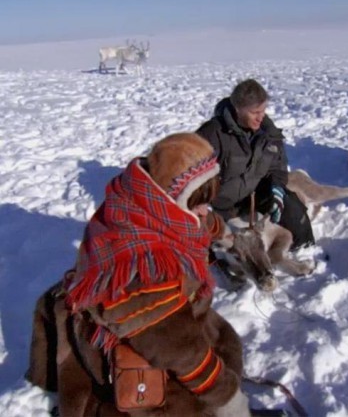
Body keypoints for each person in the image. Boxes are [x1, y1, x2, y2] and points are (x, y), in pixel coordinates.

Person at [26, 133, 250, 416]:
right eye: (198, 203)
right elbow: (177, 347)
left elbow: (198, 219)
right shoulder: (144, 265)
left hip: (158, 319)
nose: (205, 211)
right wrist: (227, 398)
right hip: (135, 336)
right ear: (171, 198)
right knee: (187, 401)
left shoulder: (139, 199)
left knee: (221, 341)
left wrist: (226, 235)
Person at [196, 79, 314, 250]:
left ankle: (304, 247)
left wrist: (277, 190)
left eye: (263, 110)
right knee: (227, 246)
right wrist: (200, 202)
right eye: (254, 112)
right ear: (238, 109)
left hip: (253, 196)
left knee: (293, 210)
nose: (261, 117)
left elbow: (278, 166)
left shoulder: (268, 133)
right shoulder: (213, 133)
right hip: (221, 204)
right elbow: (191, 172)